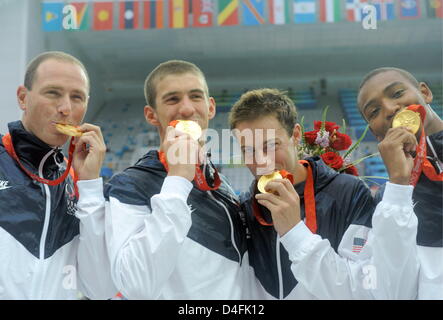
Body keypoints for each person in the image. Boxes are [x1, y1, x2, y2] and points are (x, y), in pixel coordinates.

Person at [229, 88, 419, 299]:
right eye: (249, 150)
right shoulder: (247, 207)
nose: (262, 161)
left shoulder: (348, 192)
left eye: (271, 145)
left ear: (296, 135)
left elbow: (367, 288)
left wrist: (294, 230)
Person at [104, 60, 250, 299]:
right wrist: (178, 180)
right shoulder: (129, 185)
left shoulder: (221, 185)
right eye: (172, 99)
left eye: (195, 96)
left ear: (210, 107)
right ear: (151, 115)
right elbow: (136, 284)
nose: (187, 109)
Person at [0, 51, 117, 299]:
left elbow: (99, 289)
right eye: (53, 93)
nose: (65, 108)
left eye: (77, 97)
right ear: (23, 98)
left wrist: (90, 186)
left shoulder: (79, 182)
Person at [357, 67, 443, 299]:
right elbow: (392, 290)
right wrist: (399, 184)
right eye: (374, 111)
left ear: (425, 93)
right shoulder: (388, 198)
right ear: (376, 134)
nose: (390, 109)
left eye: (396, 94)